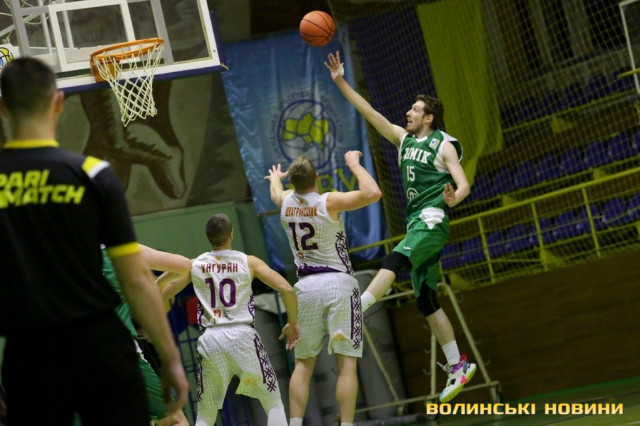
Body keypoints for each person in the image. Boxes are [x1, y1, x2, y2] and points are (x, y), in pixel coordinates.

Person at [0, 57, 188, 425]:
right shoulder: (92, 173)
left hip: (31, 355)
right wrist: (170, 357)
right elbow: (136, 278)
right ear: (58, 102)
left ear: (3, 108)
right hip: (101, 349)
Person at [324, 51, 475, 403]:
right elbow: (369, 112)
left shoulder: (443, 144)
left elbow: (463, 183)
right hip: (416, 223)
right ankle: (458, 365)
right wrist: (340, 80)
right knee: (426, 300)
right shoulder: (403, 139)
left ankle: (357, 311)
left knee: (393, 260)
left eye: (415, 109)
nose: (408, 112)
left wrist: (454, 198)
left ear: (429, 117)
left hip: (432, 221)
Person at [266, 150, 382, 426]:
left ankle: (295, 423)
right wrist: (354, 164)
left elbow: (275, 194)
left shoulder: (285, 202)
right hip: (338, 284)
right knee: (346, 363)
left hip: (305, 288)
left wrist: (275, 178)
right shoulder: (328, 201)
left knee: (303, 364)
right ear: (316, 177)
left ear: (293, 183)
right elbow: (373, 193)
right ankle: (347, 424)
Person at [158, 213, 300, 426]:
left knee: (206, 414)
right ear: (231, 235)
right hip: (243, 335)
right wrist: (292, 322)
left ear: (208, 237)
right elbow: (287, 289)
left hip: (210, 339)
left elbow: (163, 293)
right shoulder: (248, 262)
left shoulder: (196, 264)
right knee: (273, 403)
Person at [100, 245, 192, 426]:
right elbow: (184, 265)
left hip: (69, 358)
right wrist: (156, 289)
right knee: (174, 418)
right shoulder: (119, 250)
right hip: (119, 352)